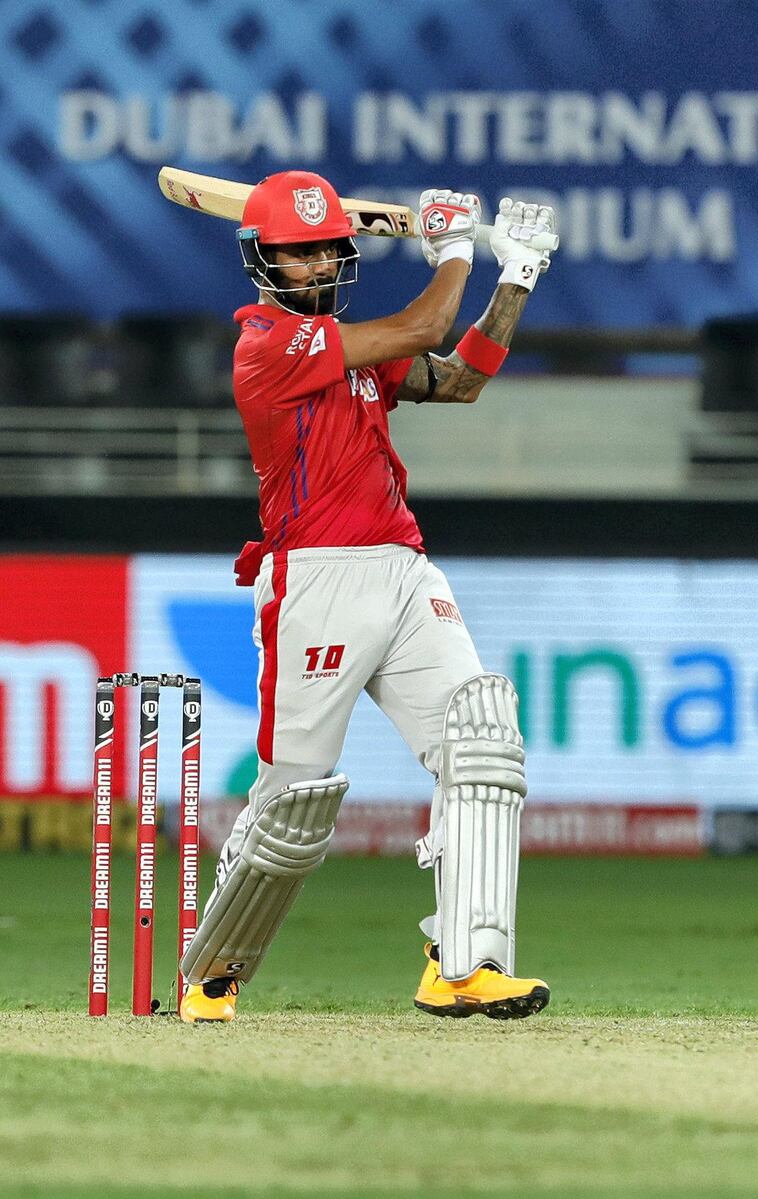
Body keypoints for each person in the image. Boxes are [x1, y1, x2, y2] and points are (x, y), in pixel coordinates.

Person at [179, 171, 558, 1024]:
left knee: (482, 743)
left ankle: (465, 964)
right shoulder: (268, 346)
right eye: (296, 251)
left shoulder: (359, 356)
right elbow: (426, 322)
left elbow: (460, 377)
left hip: (405, 568)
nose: (314, 263)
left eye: (324, 249)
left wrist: (517, 276)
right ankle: (210, 969)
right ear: (263, 260)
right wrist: (454, 248)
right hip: (316, 577)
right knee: (293, 796)